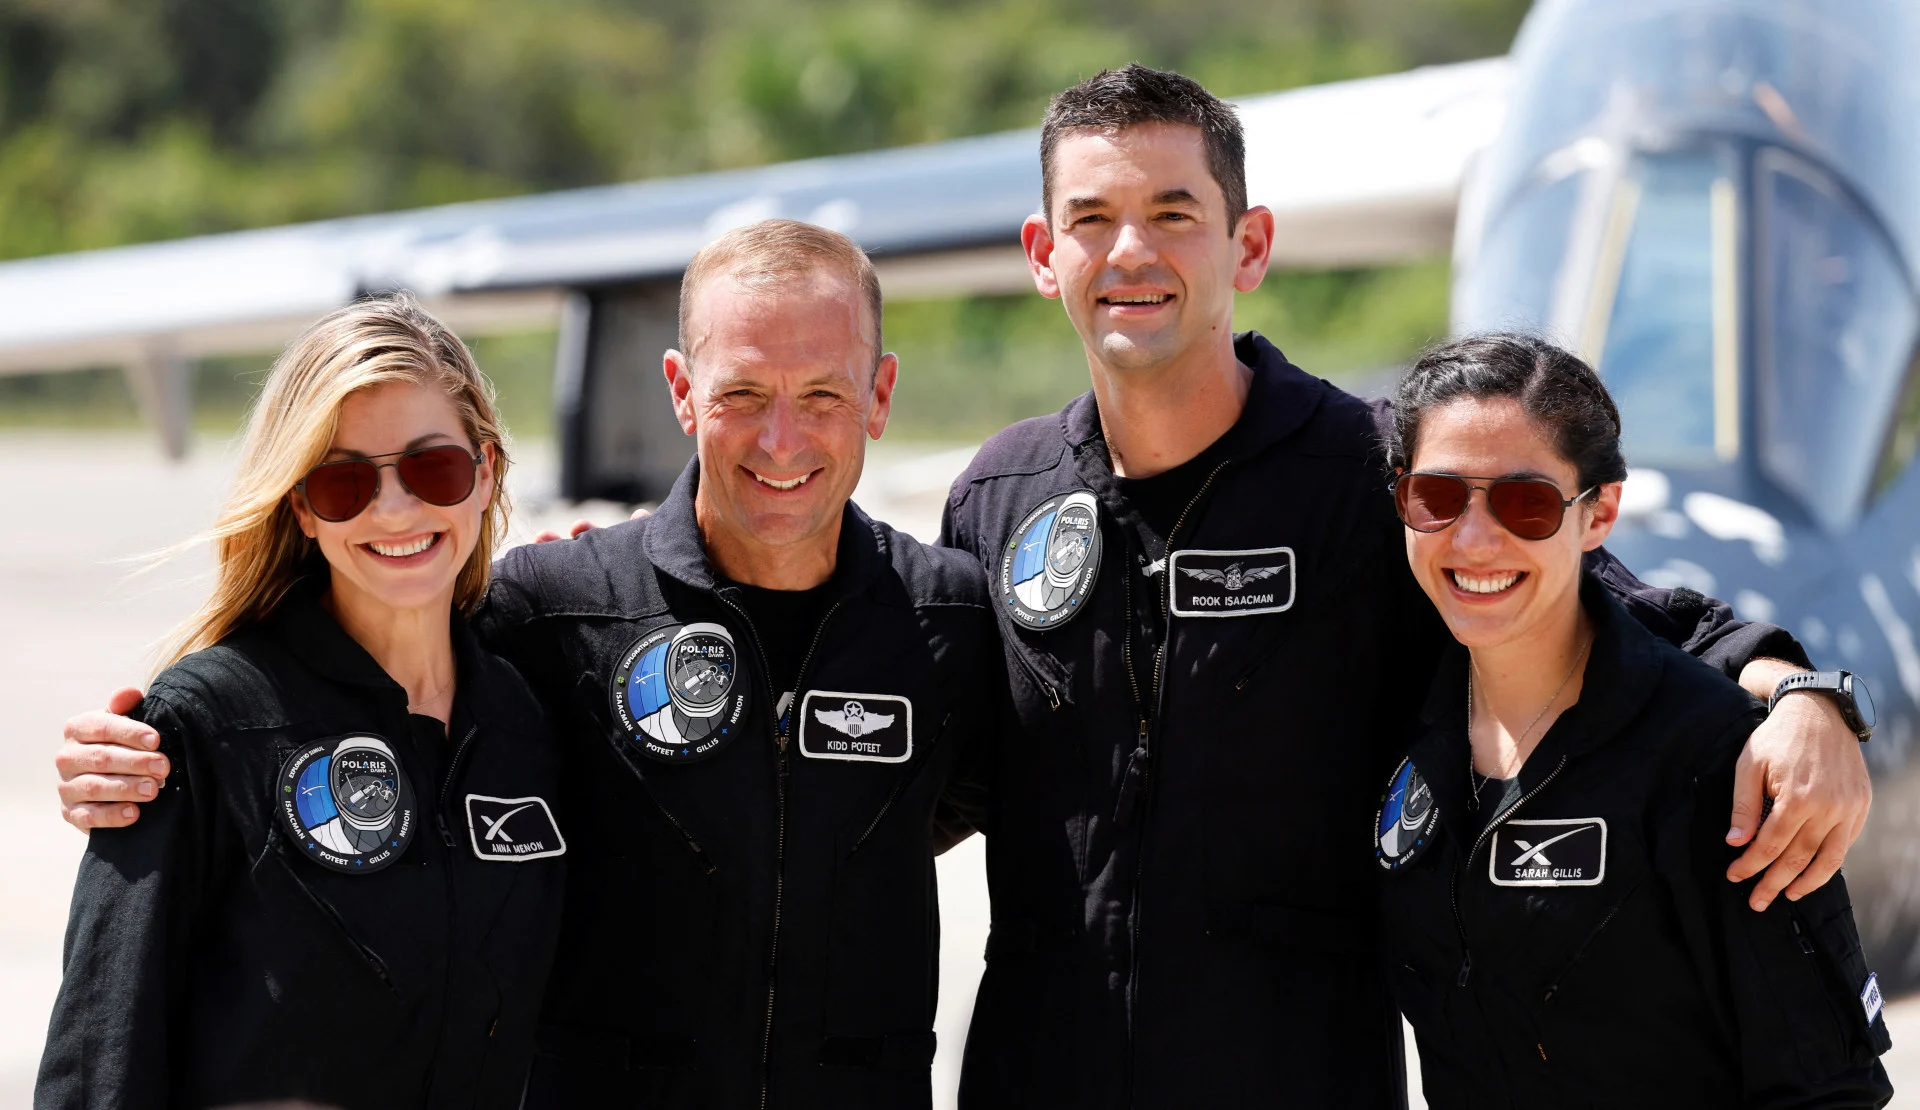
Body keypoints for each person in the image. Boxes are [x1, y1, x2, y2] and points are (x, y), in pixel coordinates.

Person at [935, 65, 1873, 1107]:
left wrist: (1804, 696)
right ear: (1040, 253)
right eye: (1093, 217)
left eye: (1174, 212)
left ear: (1248, 247)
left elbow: (1607, 606)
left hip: (1300, 1074)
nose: (1132, 251)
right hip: (1037, 1074)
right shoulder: (1000, 495)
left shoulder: (1371, 475)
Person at [52, 220, 998, 1109]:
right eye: (741, 394)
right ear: (680, 392)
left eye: (435, 473)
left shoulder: (950, 621)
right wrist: (149, 748)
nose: (781, 439)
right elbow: (107, 1043)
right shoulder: (555, 617)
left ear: (878, 396)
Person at [36, 295, 567, 1109]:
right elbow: (100, 1060)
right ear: (300, 507)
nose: (394, 510)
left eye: (435, 468)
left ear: (486, 471)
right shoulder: (204, 726)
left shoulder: (532, 721)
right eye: (343, 481)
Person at [1375, 333, 1892, 1106]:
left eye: (1527, 503)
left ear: (1600, 512)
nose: (1475, 539)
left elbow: (1827, 1091)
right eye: (1438, 498)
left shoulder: (1716, 761)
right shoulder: (1398, 719)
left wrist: (1813, 694)